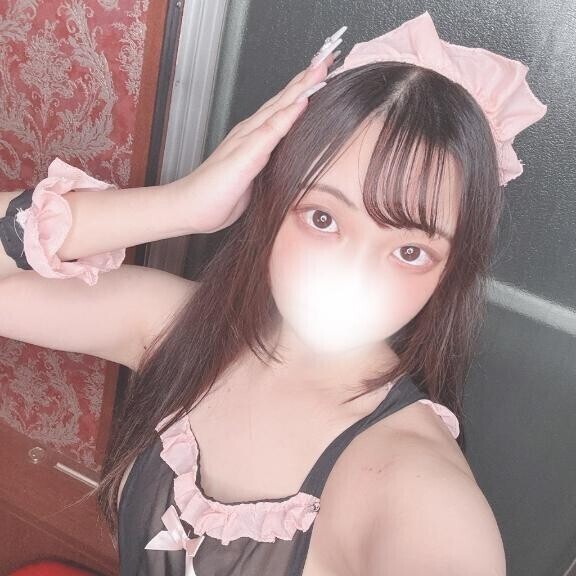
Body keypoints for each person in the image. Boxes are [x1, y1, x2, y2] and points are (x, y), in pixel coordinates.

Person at [0, 12, 547, 576]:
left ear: (448, 271)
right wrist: (180, 204)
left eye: (410, 251)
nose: (352, 277)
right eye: (323, 218)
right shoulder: (176, 329)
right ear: (276, 202)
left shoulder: (419, 494)